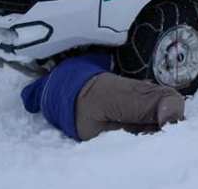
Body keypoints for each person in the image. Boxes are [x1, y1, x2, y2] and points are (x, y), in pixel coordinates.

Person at [21, 53, 185, 141]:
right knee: (166, 96)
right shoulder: (72, 63)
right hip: (92, 91)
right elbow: (112, 60)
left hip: (80, 128)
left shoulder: (40, 96)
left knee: (142, 131)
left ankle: (162, 136)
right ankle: (176, 133)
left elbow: (27, 102)